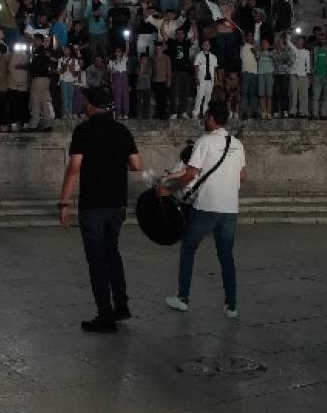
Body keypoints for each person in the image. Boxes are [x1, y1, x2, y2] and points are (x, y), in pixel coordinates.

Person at [59, 84, 144, 333]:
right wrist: (115, 164)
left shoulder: (83, 131)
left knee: (96, 260)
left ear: (91, 106)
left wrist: (64, 202)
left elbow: (74, 168)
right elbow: (136, 164)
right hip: (117, 203)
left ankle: (105, 316)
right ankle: (121, 306)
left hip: (93, 204)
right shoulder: (121, 130)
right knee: (112, 254)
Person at [163, 97, 246, 319]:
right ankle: (231, 305)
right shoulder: (237, 144)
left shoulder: (204, 142)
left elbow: (190, 174)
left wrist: (170, 190)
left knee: (188, 248)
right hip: (230, 209)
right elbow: (242, 176)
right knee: (226, 256)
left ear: (210, 119)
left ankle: (182, 297)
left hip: (207, 206)